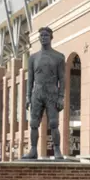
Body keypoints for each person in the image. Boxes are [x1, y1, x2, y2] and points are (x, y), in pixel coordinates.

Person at [22, 27, 66, 160]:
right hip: (37, 92)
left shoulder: (59, 57)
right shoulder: (33, 58)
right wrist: (28, 96)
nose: (43, 38)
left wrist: (61, 97)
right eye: (41, 35)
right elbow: (30, 79)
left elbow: (62, 78)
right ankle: (33, 150)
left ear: (51, 37)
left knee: (53, 123)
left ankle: (57, 150)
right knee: (34, 123)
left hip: (52, 91)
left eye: (46, 35)